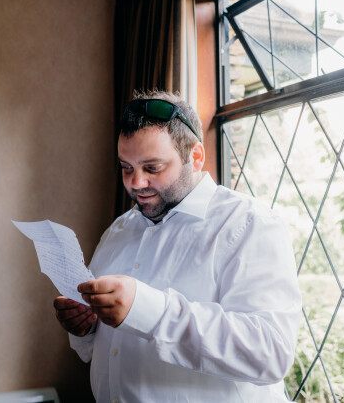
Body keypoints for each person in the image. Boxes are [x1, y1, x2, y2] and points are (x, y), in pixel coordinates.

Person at [53, 90, 302, 402]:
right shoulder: (119, 229)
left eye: (152, 168)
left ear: (195, 157)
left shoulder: (249, 225)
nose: (136, 183)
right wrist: (87, 328)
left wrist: (149, 310)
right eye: (126, 167)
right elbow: (102, 349)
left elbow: (270, 353)